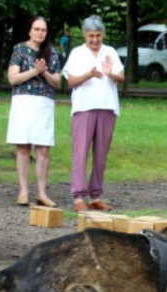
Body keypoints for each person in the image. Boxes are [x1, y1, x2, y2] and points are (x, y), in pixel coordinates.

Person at [61, 15, 124, 212]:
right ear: (84, 35)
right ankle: (78, 196)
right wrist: (90, 73)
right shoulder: (77, 53)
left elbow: (120, 77)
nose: (95, 40)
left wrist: (109, 72)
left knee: (101, 154)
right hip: (83, 108)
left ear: (102, 34)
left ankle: (95, 195)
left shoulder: (110, 51)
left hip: (107, 107)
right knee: (80, 152)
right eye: (91, 36)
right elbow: (70, 81)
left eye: (98, 35)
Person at [6, 16, 62, 207]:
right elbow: (12, 78)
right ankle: (23, 191)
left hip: (44, 103)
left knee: (43, 148)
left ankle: (42, 193)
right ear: (30, 30)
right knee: (22, 146)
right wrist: (34, 71)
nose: (40, 32)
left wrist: (44, 72)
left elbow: (58, 82)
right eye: (36, 29)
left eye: (43, 30)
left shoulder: (51, 52)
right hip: (23, 101)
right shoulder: (20, 49)